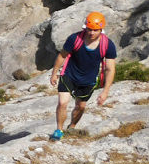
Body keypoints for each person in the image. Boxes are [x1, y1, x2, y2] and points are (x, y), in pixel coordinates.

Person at [49, 11, 117, 141]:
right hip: (69, 74)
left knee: (80, 106)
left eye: (95, 30)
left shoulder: (108, 45)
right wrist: (54, 73)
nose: (91, 33)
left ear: (101, 30)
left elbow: (110, 69)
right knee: (62, 103)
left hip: (88, 80)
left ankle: (72, 126)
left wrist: (105, 91)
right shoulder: (74, 38)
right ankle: (59, 130)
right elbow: (62, 55)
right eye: (89, 29)